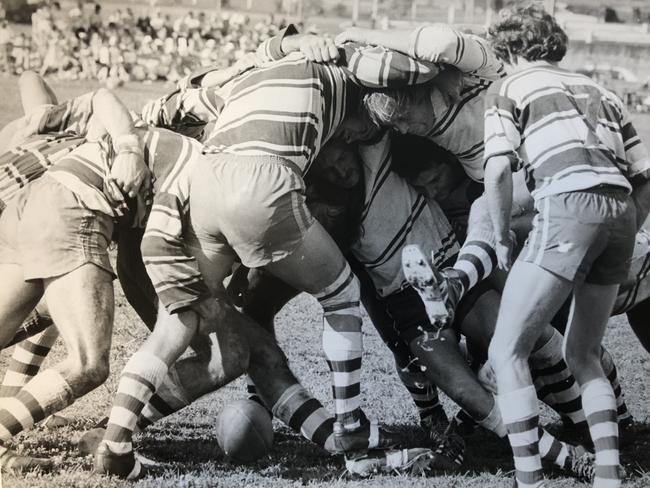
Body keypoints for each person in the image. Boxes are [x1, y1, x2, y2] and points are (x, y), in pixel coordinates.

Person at [482, 5, 650, 488]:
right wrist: (623, 229)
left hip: (566, 205)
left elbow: (496, 170)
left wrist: (498, 237)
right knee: (584, 353)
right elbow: (644, 176)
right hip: (620, 211)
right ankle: (608, 476)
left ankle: (529, 480)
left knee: (506, 350)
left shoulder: (509, 87)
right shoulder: (602, 90)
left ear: (508, 48)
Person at [0, 74, 150, 472]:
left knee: (60, 300)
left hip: (23, 223)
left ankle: (11, 412)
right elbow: (97, 97)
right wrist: (129, 147)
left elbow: (32, 80)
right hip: (51, 214)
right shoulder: (45, 129)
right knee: (88, 361)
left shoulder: (38, 128)